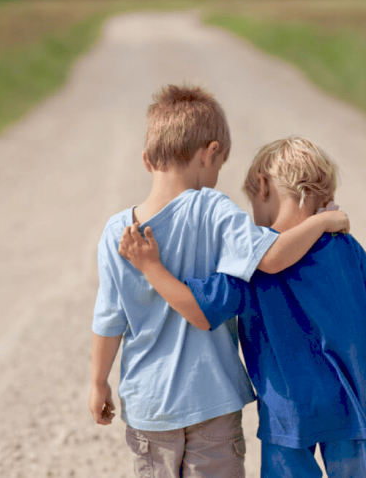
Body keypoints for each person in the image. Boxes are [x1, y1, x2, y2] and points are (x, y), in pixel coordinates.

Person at [90, 86, 350, 478]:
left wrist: (98, 382)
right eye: (219, 165)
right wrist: (324, 221)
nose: (215, 177)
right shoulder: (214, 210)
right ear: (209, 153)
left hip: (149, 405)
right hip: (211, 400)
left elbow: (109, 320)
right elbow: (275, 257)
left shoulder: (117, 232)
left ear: (147, 160)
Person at [119, 137, 366, 478]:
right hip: (349, 410)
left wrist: (151, 268)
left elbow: (198, 311)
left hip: (287, 416)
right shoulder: (346, 248)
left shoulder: (250, 264)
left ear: (262, 187)